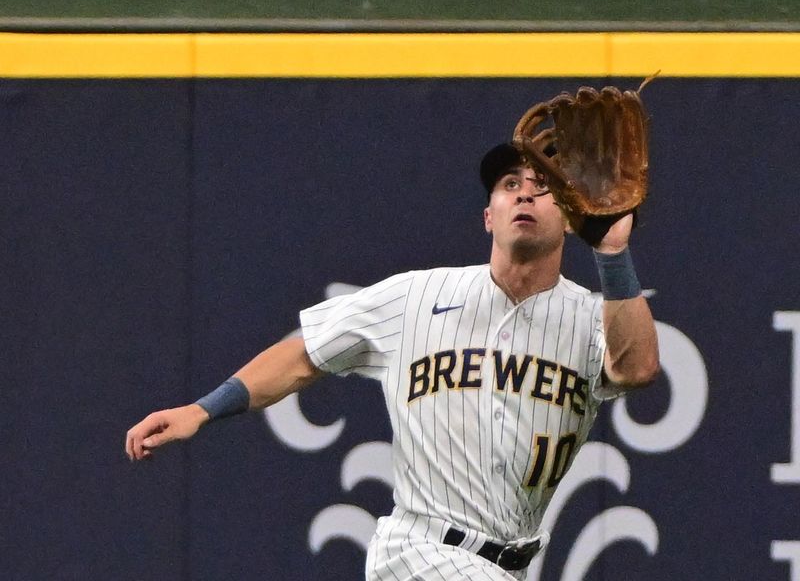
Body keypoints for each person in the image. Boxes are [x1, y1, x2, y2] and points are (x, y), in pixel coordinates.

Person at [126, 142, 659, 581]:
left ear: (570, 217)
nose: (524, 193)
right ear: (488, 216)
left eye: (542, 186)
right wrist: (202, 410)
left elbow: (636, 370)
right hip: (418, 552)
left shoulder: (593, 318)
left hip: (509, 565)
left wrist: (613, 254)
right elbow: (304, 355)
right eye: (509, 185)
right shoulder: (415, 297)